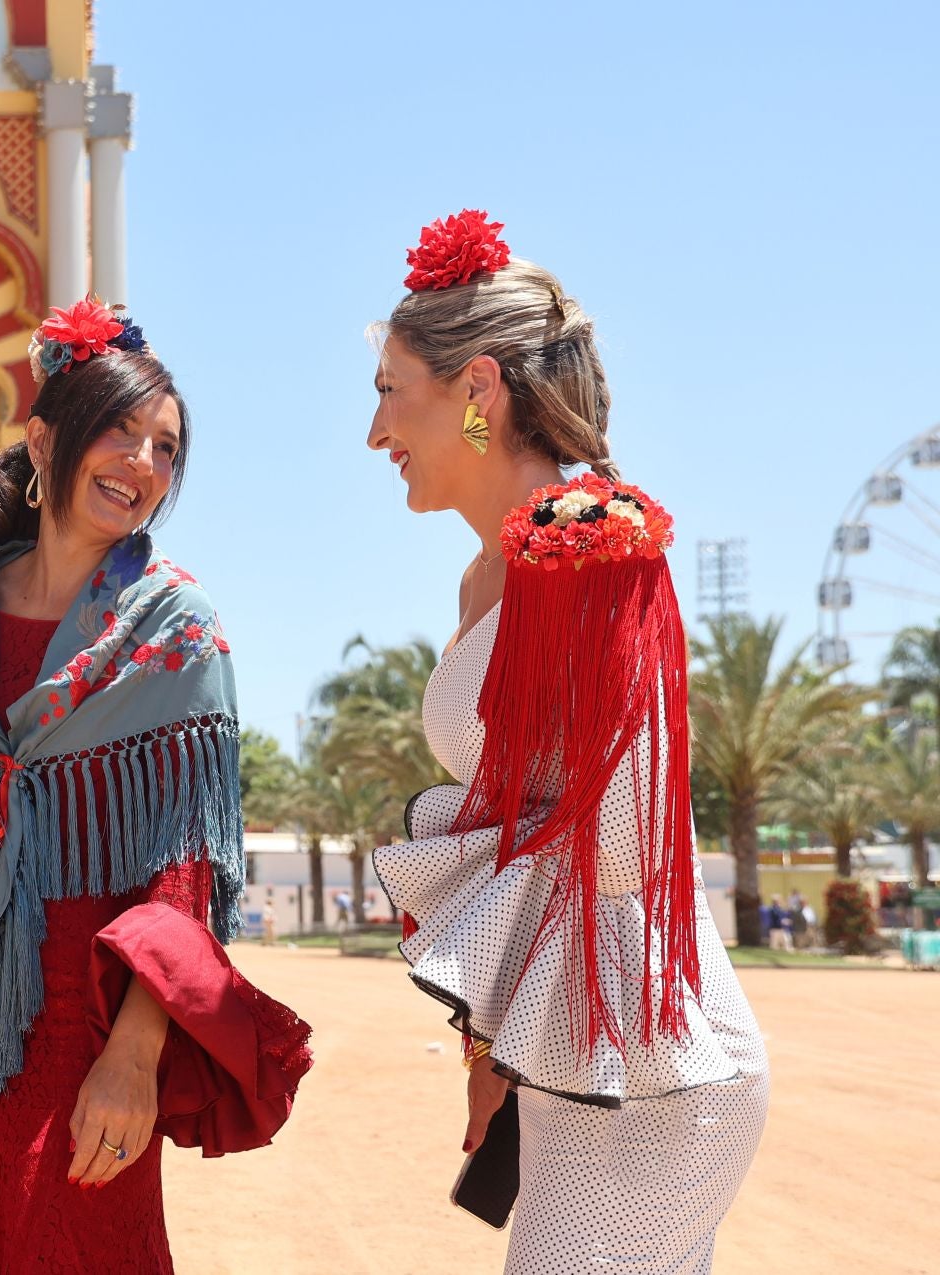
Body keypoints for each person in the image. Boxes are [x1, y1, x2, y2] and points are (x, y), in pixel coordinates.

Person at [0, 297, 313, 1272]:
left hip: (86, 1030)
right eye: (120, 433)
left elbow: (188, 873)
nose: (143, 464)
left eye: (166, 448)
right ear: (45, 440)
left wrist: (134, 1056)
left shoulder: (178, 628)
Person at [365, 212, 768, 1274]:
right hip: (583, 1060)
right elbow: (543, 818)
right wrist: (490, 1042)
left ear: (478, 390)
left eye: (388, 390)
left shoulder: (596, 546)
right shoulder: (487, 575)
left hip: (654, 1074)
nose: (375, 433)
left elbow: (631, 841)